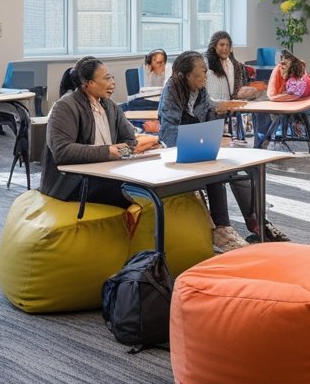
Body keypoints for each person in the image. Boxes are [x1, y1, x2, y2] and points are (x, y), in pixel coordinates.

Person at [158, 50, 288, 248]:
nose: (206, 75)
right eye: (202, 71)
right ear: (186, 75)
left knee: (238, 172)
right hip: (177, 156)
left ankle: (258, 223)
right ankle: (223, 228)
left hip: (197, 150)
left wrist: (226, 105)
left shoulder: (199, 87)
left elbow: (208, 105)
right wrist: (193, 141)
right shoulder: (172, 91)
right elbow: (167, 133)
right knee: (217, 176)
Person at [40, 58, 141, 208]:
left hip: (107, 174)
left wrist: (121, 152)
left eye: (111, 77)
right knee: (134, 194)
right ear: (87, 83)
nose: (112, 82)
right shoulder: (65, 106)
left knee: (142, 189)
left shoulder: (110, 106)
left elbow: (130, 142)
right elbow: (62, 151)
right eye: (107, 78)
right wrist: (108, 152)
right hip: (73, 184)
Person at [257, 48, 310, 140]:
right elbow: (272, 95)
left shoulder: (301, 77)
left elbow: (298, 93)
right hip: (291, 100)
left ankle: (295, 126)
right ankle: (265, 139)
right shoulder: (279, 70)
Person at [203, 31, 254, 103]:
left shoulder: (237, 66)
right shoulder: (205, 64)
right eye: (222, 45)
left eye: (228, 45)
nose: (225, 48)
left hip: (231, 107)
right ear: (214, 46)